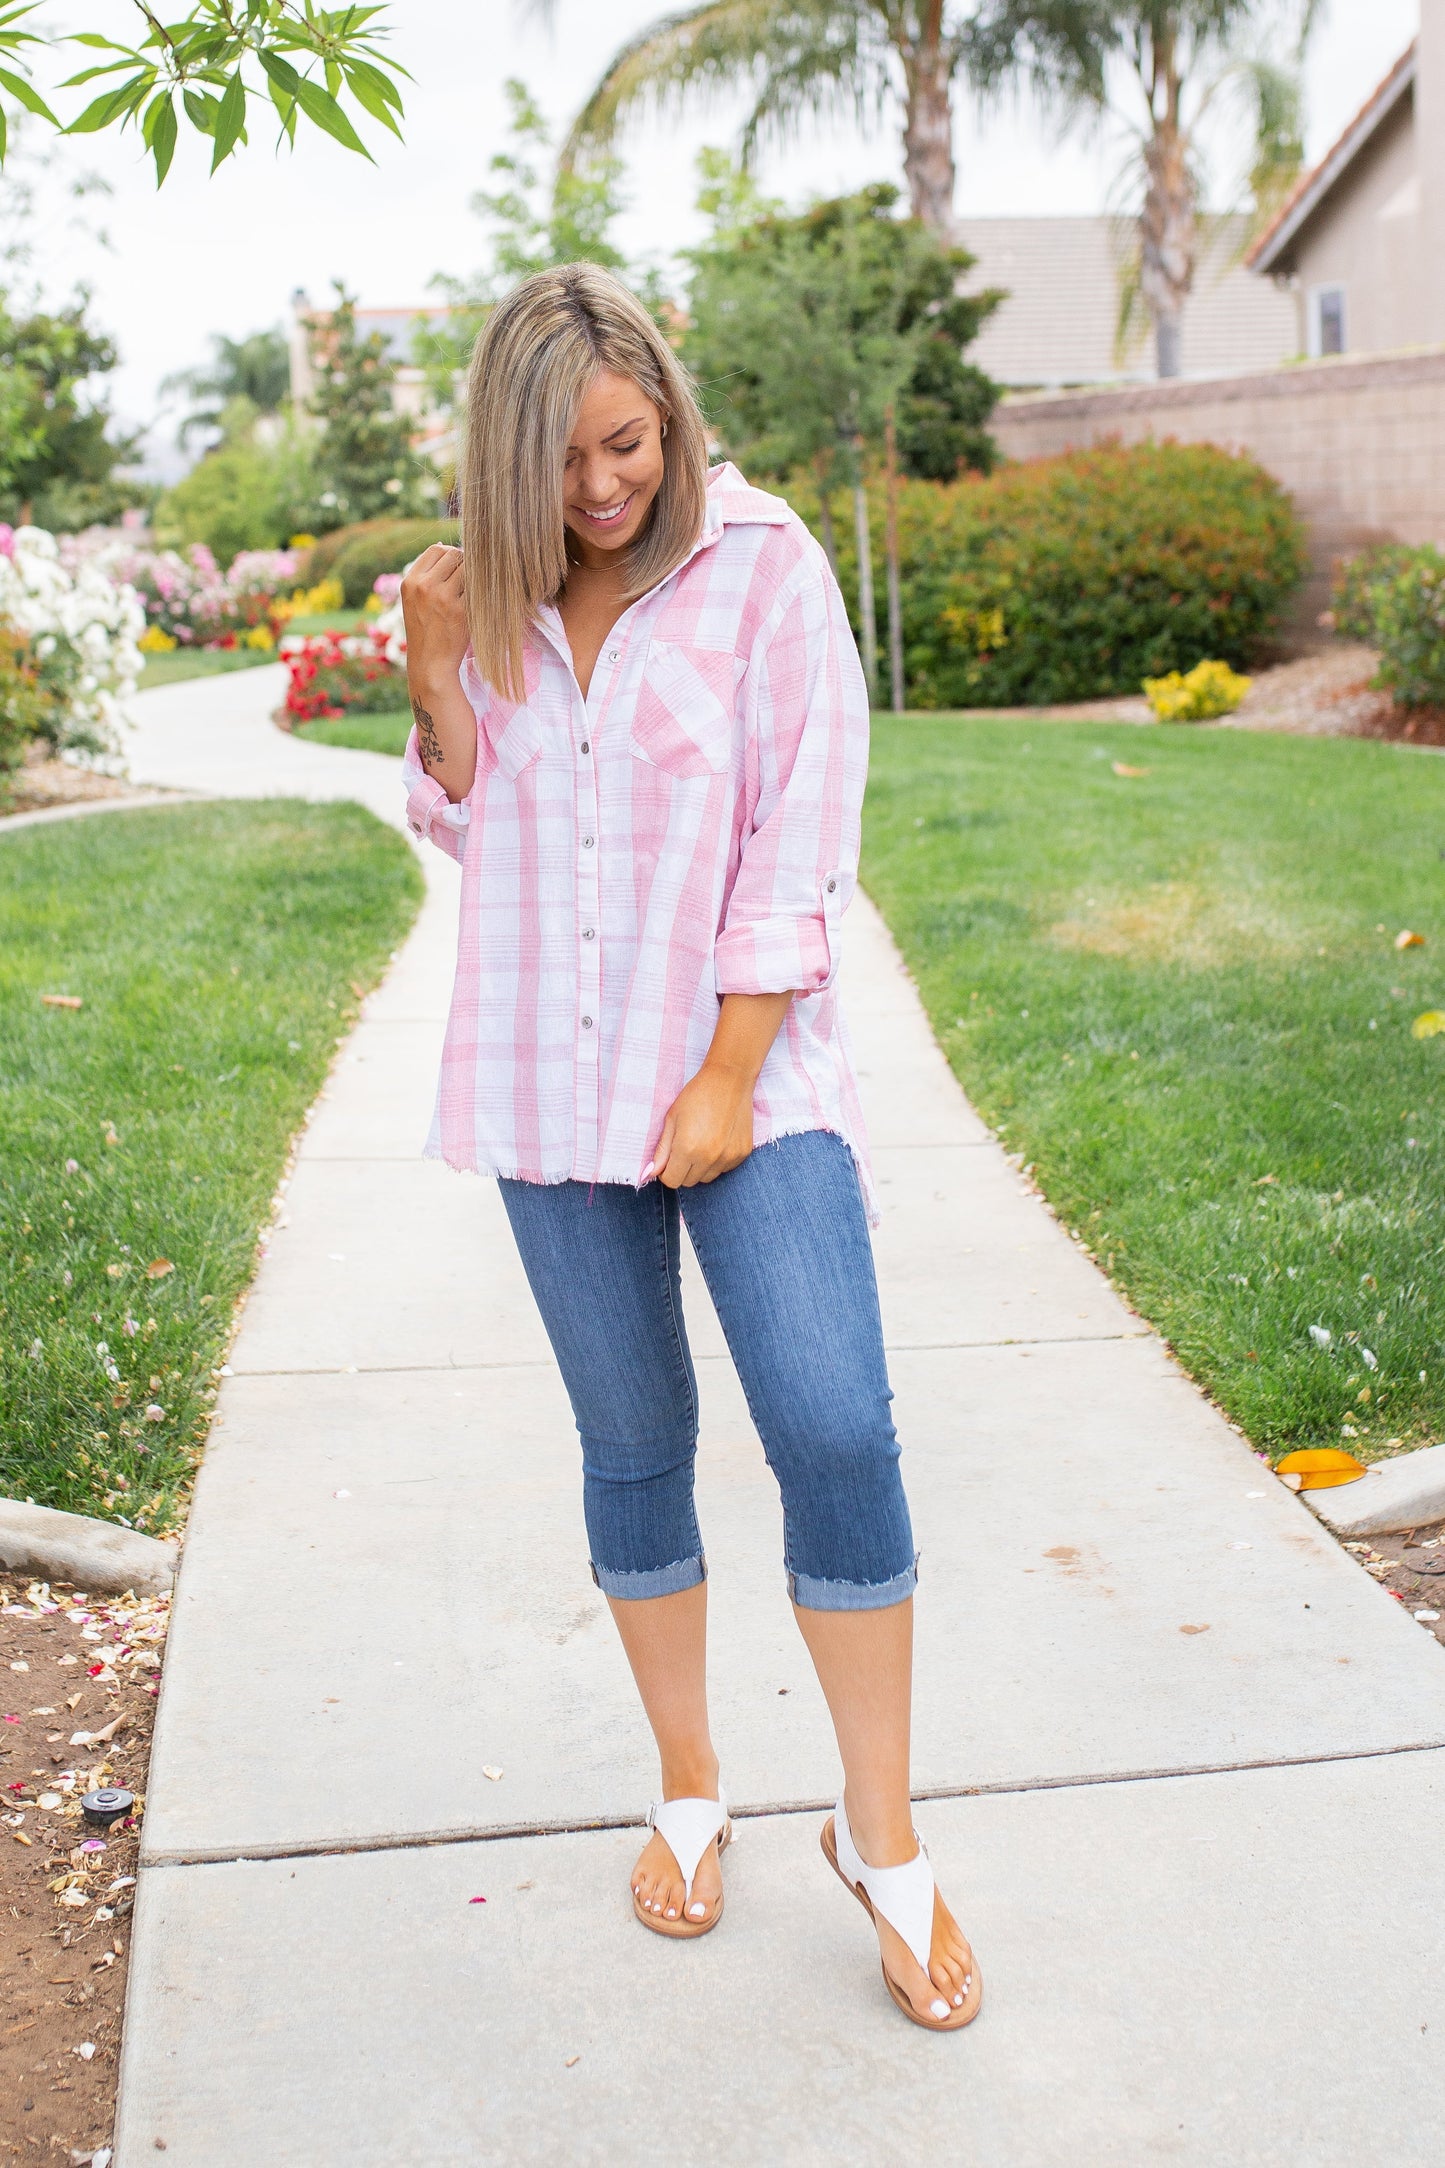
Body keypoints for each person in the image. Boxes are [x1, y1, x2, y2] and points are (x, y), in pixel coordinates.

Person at [400, 262, 979, 2031]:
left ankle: (879, 1840)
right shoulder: (485, 598)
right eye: (562, 464)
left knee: (830, 1424)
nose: (600, 490)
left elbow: (796, 845)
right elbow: (468, 827)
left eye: (626, 444)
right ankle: (690, 1791)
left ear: (668, 407)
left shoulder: (764, 570)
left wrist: (726, 1077)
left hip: (748, 1078)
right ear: (508, 465)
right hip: (544, 1089)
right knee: (634, 1446)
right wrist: (433, 680)